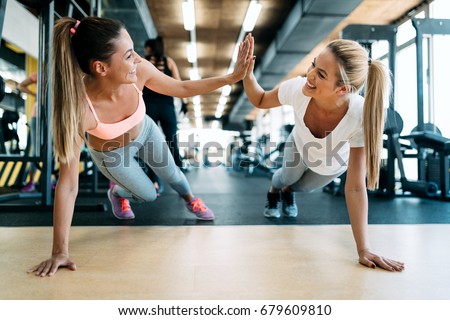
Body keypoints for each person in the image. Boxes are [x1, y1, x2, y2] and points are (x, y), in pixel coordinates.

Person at [28, 16, 251, 277]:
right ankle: (118, 193)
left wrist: (231, 77)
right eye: (129, 55)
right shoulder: (80, 108)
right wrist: (59, 251)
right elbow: (67, 183)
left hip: (145, 132)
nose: (137, 60)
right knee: (149, 194)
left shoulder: (138, 71)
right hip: (113, 156)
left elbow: (181, 87)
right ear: (101, 68)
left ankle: (190, 199)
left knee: (175, 175)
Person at [242, 34, 404, 272]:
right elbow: (260, 98)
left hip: (331, 164)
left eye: (321, 75)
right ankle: (275, 189)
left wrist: (364, 250)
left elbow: (356, 187)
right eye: (313, 65)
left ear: (344, 89)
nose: (310, 75)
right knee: (286, 176)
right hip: (298, 145)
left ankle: (288, 191)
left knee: (302, 187)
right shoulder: (298, 89)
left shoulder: (359, 117)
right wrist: (247, 73)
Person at [142, 36, 186, 196]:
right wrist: (185, 103)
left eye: (147, 47)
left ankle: (155, 179)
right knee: (170, 138)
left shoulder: (144, 61)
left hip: (152, 105)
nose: (146, 50)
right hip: (164, 105)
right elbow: (178, 82)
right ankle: (177, 176)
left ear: (150, 48)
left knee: (152, 141)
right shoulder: (168, 61)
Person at [18, 72, 38, 192]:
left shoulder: (61, 74)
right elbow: (21, 86)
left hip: (54, 114)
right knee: (36, 150)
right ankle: (31, 182)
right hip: (37, 114)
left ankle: (51, 180)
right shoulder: (38, 74)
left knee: (53, 149)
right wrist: (35, 94)